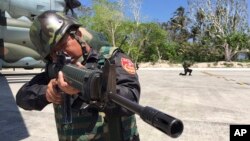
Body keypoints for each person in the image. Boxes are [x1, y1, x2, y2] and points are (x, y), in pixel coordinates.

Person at [16, 11, 140, 141]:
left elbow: (130, 98)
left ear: (78, 35)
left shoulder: (112, 59)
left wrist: (91, 89)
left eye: (64, 45)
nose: (61, 55)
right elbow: (22, 98)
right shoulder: (56, 70)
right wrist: (47, 93)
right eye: (53, 53)